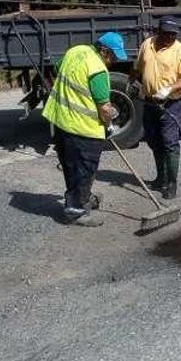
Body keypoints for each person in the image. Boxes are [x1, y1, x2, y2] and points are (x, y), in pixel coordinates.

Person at [43, 32, 127, 227]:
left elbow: (56, 69)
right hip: (82, 128)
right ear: (104, 51)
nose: (113, 61)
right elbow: (104, 107)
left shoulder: (75, 51)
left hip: (61, 121)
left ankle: (81, 198)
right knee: (84, 169)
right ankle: (76, 211)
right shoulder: (97, 69)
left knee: (71, 166)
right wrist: (109, 125)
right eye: (113, 56)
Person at [128, 16, 181, 199]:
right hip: (149, 102)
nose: (170, 38)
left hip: (170, 104)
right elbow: (138, 66)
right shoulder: (147, 45)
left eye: (173, 35)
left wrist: (168, 89)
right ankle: (160, 178)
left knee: (169, 143)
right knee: (153, 140)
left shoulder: (180, 51)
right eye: (167, 34)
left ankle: (171, 184)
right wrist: (131, 81)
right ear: (159, 32)